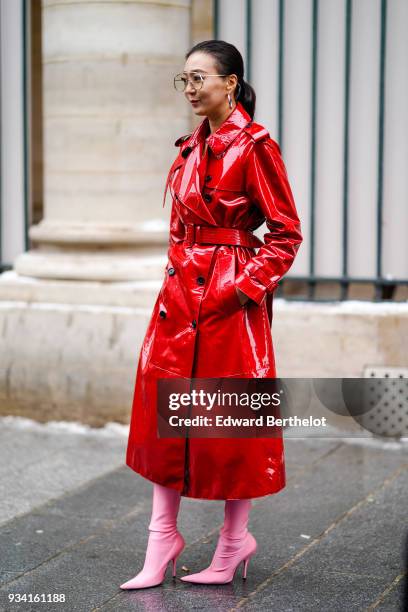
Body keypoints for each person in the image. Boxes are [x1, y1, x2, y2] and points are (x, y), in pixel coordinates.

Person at [120, 39, 303, 589]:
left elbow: (286, 234)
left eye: (200, 78)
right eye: (185, 79)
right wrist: (176, 275)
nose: (191, 89)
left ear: (231, 82)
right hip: (180, 300)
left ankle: (231, 545)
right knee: (165, 417)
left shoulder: (255, 146)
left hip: (228, 304)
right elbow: (180, 225)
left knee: (231, 424)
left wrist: (240, 290)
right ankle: (161, 541)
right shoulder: (188, 146)